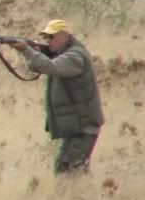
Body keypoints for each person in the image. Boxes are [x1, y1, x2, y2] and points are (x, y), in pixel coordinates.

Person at [8, 20, 104, 175]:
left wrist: (27, 50)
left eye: (52, 37)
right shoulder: (68, 53)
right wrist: (37, 50)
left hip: (82, 126)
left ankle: (78, 198)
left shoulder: (74, 56)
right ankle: (84, 198)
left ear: (64, 36)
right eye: (46, 37)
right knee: (70, 169)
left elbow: (49, 66)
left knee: (69, 171)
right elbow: (52, 61)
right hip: (77, 126)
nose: (48, 40)